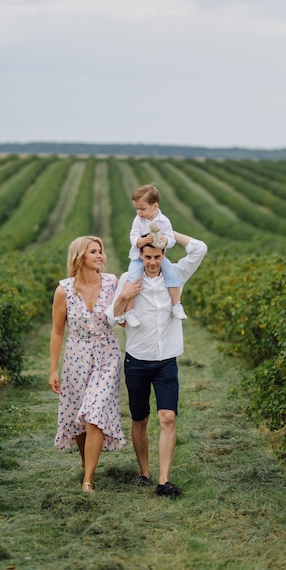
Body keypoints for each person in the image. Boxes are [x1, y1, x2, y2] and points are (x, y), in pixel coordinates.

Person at [106, 231, 208, 497]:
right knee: (140, 419)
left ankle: (164, 480)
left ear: (164, 254)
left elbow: (199, 248)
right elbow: (110, 318)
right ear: (140, 255)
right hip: (137, 361)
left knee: (168, 417)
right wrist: (123, 296)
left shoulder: (175, 276)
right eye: (148, 256)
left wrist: (165, 231)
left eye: (158, 256)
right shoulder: (129, 279)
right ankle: (144, 472)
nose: (153, 261)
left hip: (166, 362)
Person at [49, 236, 125, 493]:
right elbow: (58, 332)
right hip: (76, 357)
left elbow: (123, 317)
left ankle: (88, 480)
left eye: (101, 251)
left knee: (95, 415)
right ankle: (85, 464)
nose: (99, 255)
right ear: (80, 256)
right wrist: (53, 369)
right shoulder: (64, 291)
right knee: (78, 418)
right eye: (93, 251)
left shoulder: (112, 283)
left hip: (107, 355)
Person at [124, 184, 187, 327]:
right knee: (133, 280)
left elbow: (171, 239)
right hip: (139, 257)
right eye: (137, 208)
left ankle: (176, 305)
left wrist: (165, 240)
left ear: (155, 206)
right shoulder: (138, 220)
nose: (139, 212)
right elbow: (133, 238)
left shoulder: (164, 221)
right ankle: (129, 312)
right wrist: (142, 241)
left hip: (157, 256)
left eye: (142, 208)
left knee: (172, 275)